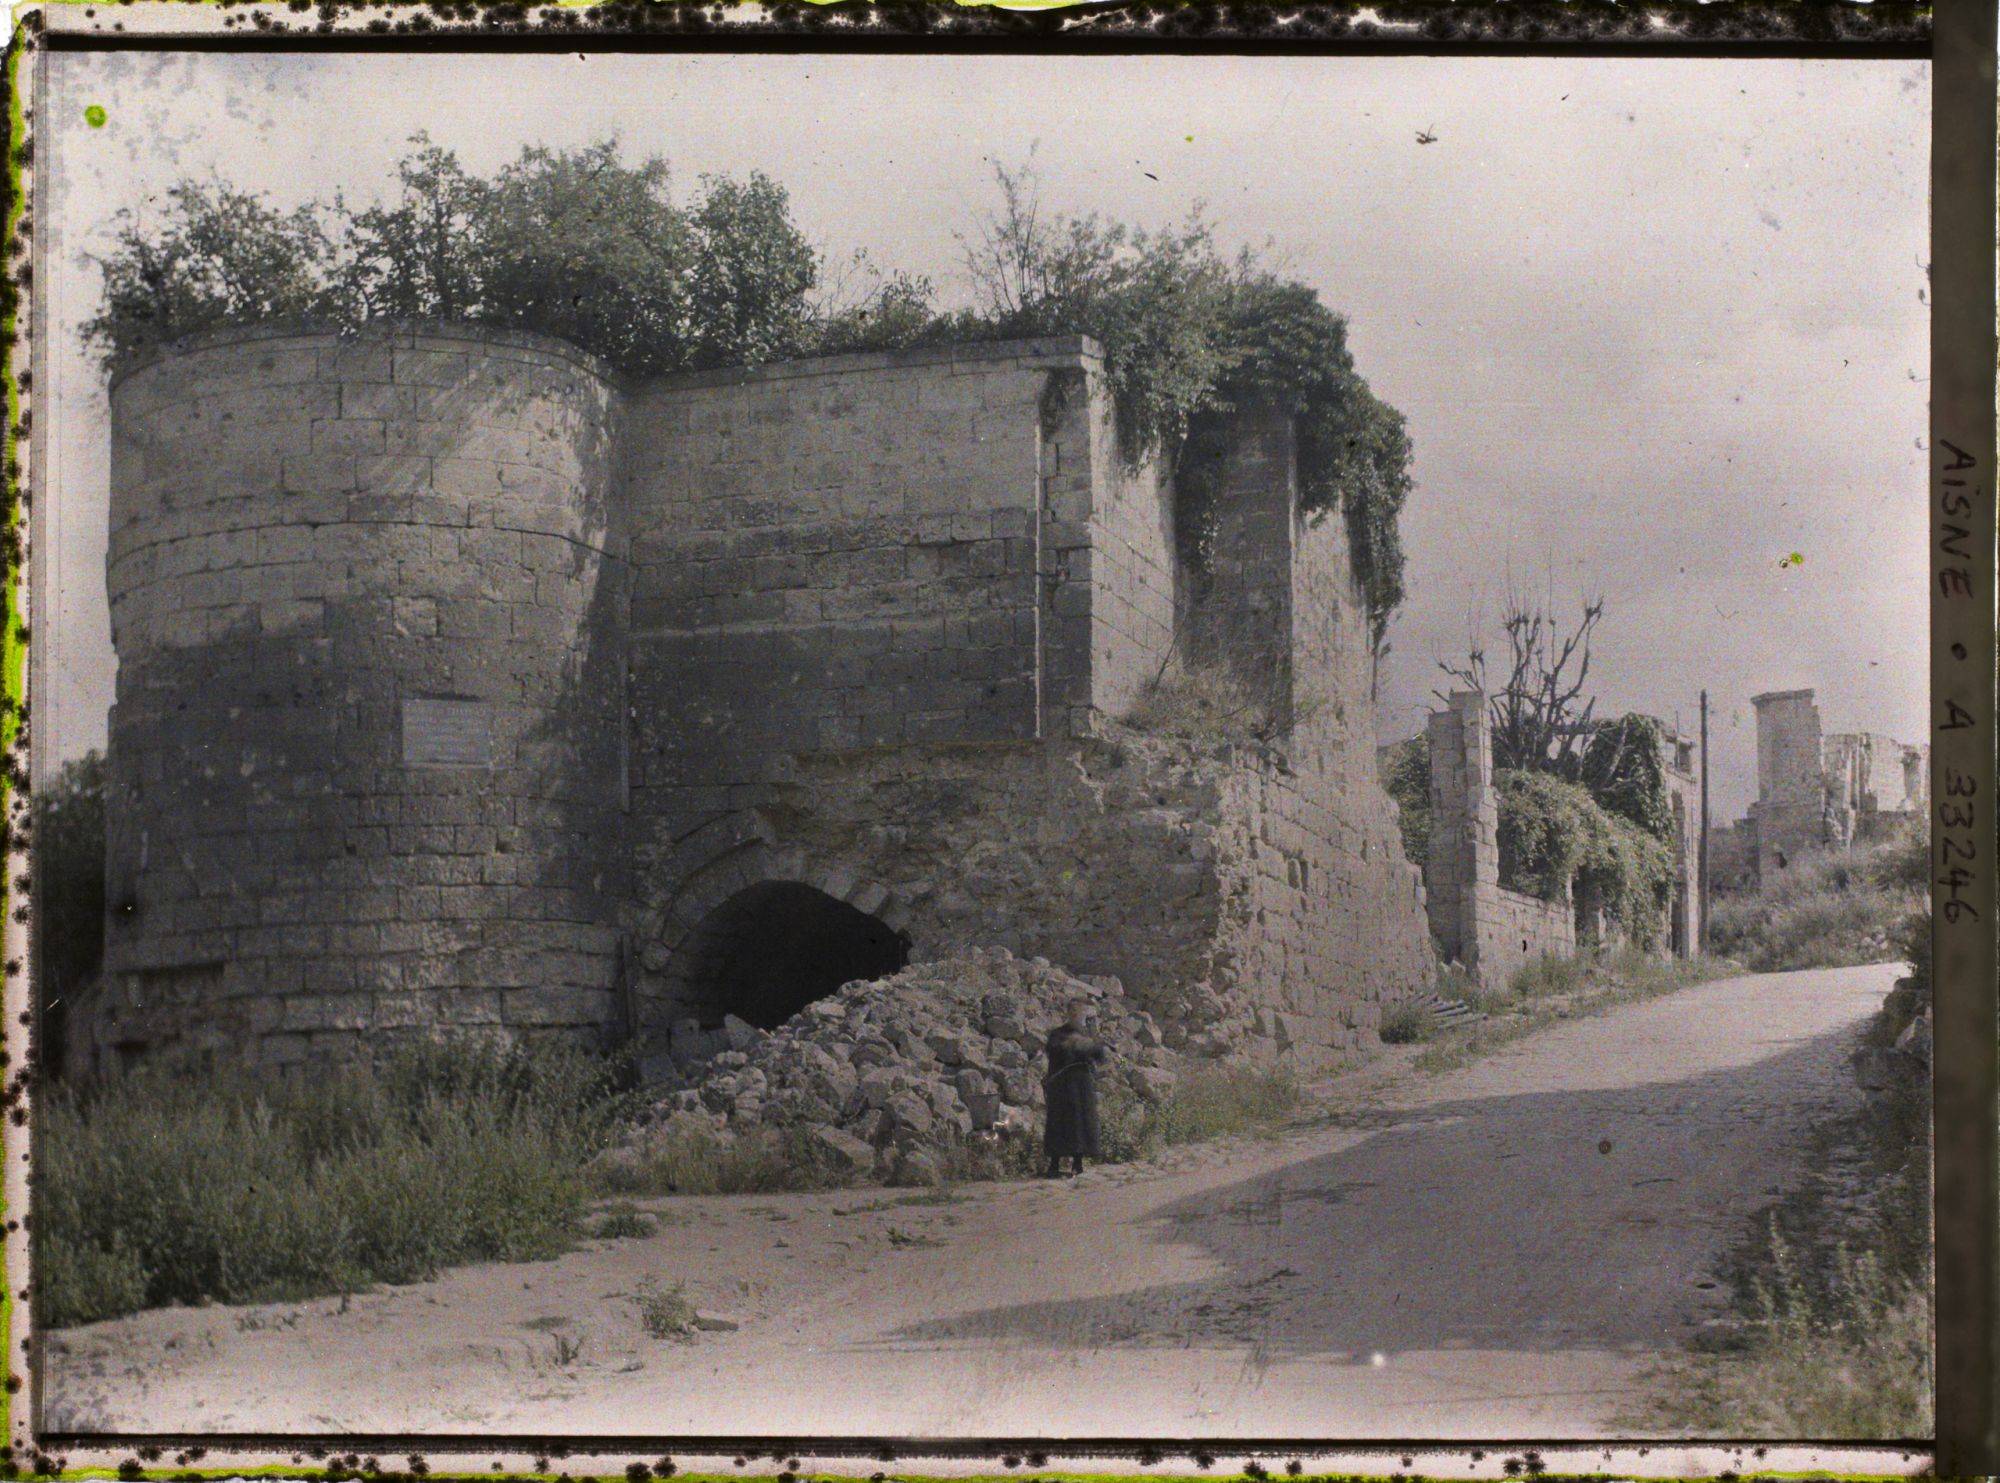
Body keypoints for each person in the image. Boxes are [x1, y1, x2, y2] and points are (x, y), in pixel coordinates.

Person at [1042, 996, 1109, 1178]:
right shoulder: (1058, 1033)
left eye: (1079, 1011)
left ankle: (1077, 1164)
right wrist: (1070, 1044)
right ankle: (1054, 1164)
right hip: (1062, 1086)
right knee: (1058, 1124)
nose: (1075, 1014)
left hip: (1081, 1085)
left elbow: (1100, 1055)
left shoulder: (1089, 1035)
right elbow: (1053, 1050)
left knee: (1080, 1124)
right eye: (1072, 1011)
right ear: (1068, 1013)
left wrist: (1089, 1044)